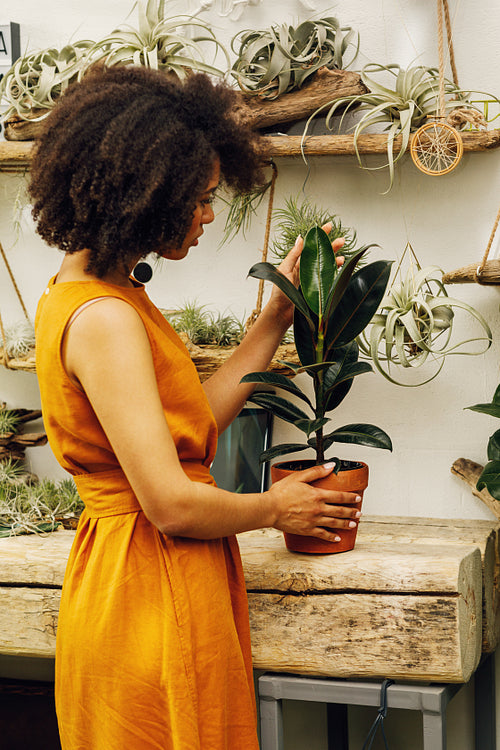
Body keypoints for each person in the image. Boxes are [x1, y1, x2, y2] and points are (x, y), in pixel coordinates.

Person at [32, 65, 361, 750]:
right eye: (201, 197)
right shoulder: (104, 317)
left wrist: (273, 318)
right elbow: (171, 503)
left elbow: (191, 429)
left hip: (156, 577)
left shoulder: (98, 293)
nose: (210, 214)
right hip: (148, 590)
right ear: (147, 193)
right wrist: (279, 508)